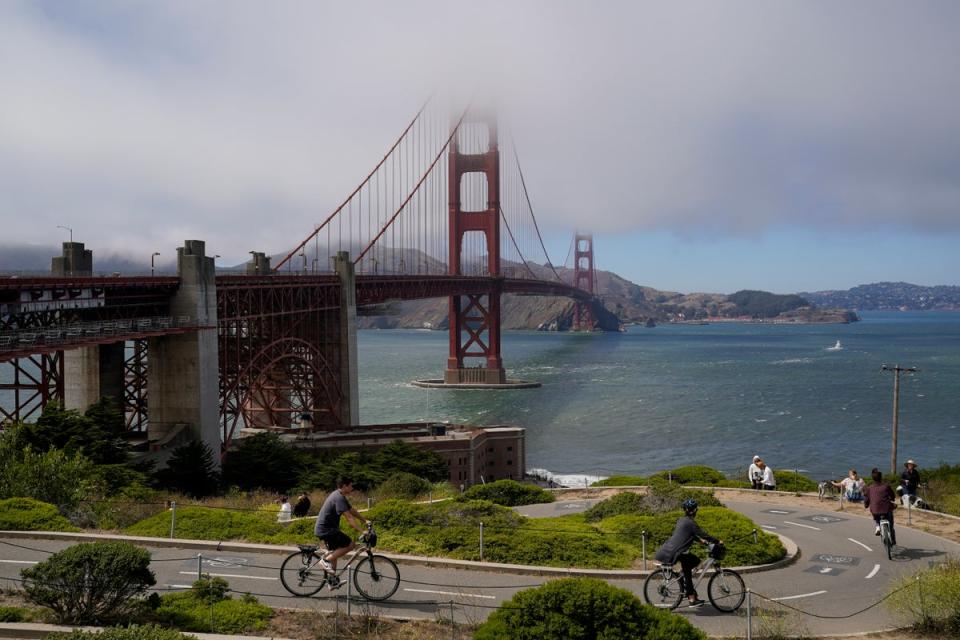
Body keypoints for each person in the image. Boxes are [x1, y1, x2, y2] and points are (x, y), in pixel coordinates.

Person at [654, 499, 720, 607]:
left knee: (688, 567)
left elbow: (690, 534)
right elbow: (702, 534)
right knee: (695, 562)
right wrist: (717, 541)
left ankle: (687, 585)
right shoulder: (691, 523)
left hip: (672, 549)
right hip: (678, 551)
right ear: (695, 511)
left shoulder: (681, 520)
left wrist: (701, 541)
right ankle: (691, 598)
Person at [314, 477, 368, 587]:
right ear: (344, 486)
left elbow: (351, 510)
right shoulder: (338, 497)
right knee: (351, 545)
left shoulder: (340, 496)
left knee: (336, 551)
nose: (352, 488)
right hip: (327, 530)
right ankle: (324, 560)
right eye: (350, 486)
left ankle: (332, 581)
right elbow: (349, 518)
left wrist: (364, 520)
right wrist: (362, 531)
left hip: (328, 529)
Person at [863, 468, 897, 545]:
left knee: (876, 515)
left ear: (873, 478)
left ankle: (878, 526)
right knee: (891, 524)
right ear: (881, 478)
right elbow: (892, 495)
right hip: (886, 509)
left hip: (875, 510)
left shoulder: (869, 488)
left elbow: (866, 499)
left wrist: (866, 505)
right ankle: (893, 540)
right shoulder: (886, 486)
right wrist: (892, 499)